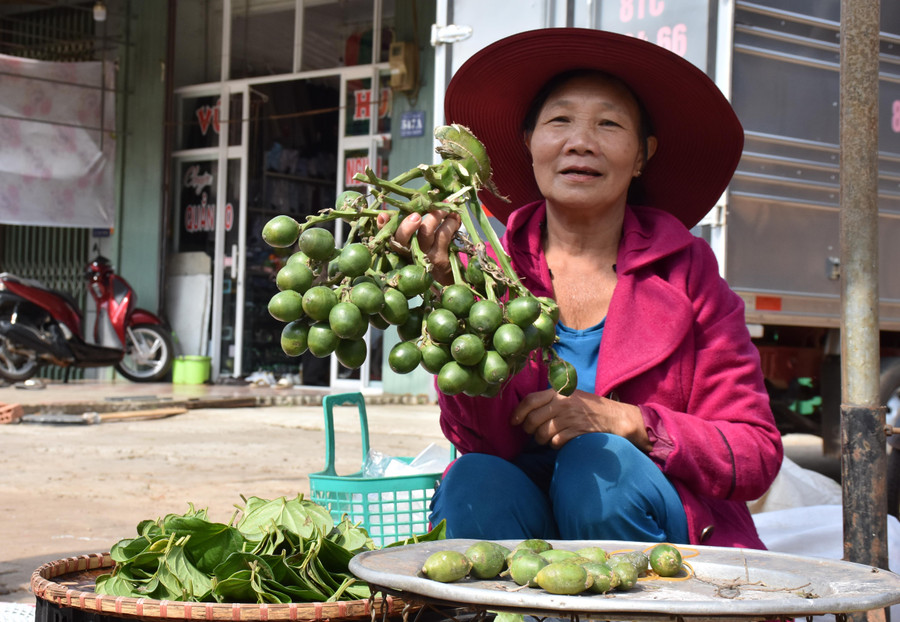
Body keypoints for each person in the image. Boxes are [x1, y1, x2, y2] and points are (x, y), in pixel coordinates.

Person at [381, 28, 783, 549]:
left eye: (609, 124)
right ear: (529, 142)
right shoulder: (484, 273)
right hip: (529, 528)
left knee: (596, 463)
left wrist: (630, 423)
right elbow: (478, 440)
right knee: (470, 482)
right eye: (560, 120)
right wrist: (447, 302)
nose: (580, 142)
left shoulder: (689, 273)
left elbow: (755, 453)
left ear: (642, 155)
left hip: (660, 539)